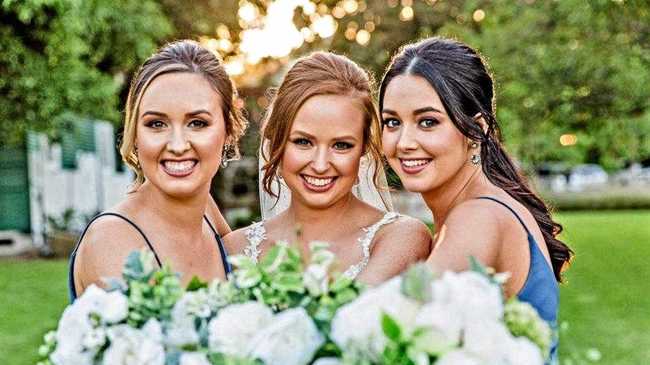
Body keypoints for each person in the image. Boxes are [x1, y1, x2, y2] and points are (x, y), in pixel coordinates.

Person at [379, 37, 572, 362]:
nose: (404, 142)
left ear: (476, 130)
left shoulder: (478, 218)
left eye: (428, 122)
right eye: (392, 122)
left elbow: (395, 338)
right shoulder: (487, 204)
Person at [225, 52, 431, 285]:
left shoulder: (400, 238)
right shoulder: (235, 249)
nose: (321, 165)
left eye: (341, 145)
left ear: (363, 149)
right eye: (303, 142)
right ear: (277, 142)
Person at [69, 40, 247, 300]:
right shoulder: (112, 241)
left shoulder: (206, 211)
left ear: (228, 131)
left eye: (197, 123)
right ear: (136, 134)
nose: (177, 145)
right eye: (156, 124)